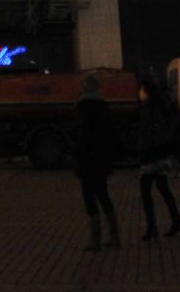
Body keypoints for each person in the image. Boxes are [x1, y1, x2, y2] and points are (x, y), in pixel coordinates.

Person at [73, 75, 120, 251]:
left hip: (86, 160)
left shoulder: (81, 108)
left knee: (89, 198)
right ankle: (114, 235)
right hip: (101, 159)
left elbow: (79, 135)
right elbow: (111, 135)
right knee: (103, 194)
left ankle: (95, 238)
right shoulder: (104, 107)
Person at [135, 80, 180, 241]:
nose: (139, 93)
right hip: (158, 155)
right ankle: (175, 222)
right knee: (163, 189)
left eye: (141, 90)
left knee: (146, 190)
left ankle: (153, 227)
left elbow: (149, 133)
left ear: (147, 92)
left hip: (152, 155)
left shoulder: (150, 109)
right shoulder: (158, 107)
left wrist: (144, 150)